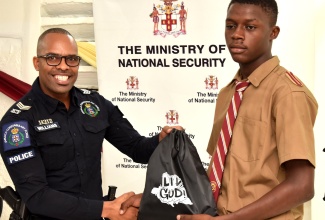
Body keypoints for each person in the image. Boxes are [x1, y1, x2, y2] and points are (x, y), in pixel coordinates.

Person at [120, 0, 318, 219]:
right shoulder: (229, 93)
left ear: (273, 32)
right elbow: (220, 176)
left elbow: (302, 186)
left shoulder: (288, 93)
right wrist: (159, 197)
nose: (237, 35)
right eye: (231, 26)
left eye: (250, 27)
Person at [0, 27, 180, 220]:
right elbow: (37, 196)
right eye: (53, 58)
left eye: (71, 59)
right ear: (37, 62)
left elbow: (136, 148)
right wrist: (106, 209)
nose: (63, 66)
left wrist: (161, 141)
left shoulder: (95, 105)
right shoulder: (17, 123)